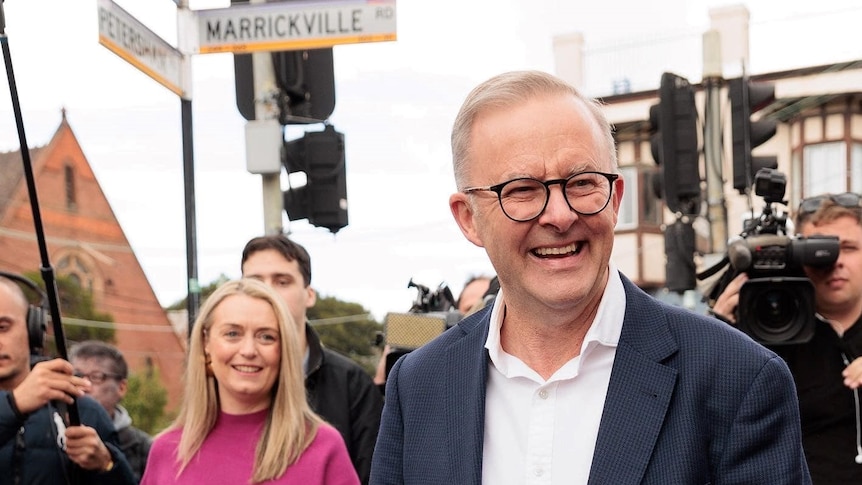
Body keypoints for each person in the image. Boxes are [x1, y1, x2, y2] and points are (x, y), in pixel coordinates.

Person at [369, 70, 811, 484]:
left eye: (582, 183)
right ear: (468, 218)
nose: (560, 216)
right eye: (521, 190)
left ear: (615, 197)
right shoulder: (418, 385)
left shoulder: (738, 378)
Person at [140, 278, 359, 485]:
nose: (248, 350)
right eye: (233, 333)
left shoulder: (323, 447)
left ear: (284, 349)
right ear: (206, 342)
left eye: (266, 337)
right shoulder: (166, 451)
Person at [711, 192, 862, 483]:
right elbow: (716, 422)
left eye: (850, 247)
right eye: (821, 249)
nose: (835, 261)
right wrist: (719, 333)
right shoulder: (766, 326)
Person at [241, 235, 382, 485]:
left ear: (309, 295)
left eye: (282, 281)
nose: (267, 292)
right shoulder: (224, 379)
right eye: (255, 282)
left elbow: (372, 475)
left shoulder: (352, 384)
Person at [0, 274, 136, 485]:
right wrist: (14, 405)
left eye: (3, 327)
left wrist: (107, 464)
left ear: (33, 328)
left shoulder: (83, 410)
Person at [70, 340, 152, 483]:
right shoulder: (52, 432)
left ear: (122, 387)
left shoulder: (142, 448)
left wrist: (108, 464)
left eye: (96, 377)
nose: (84, 385)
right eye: (77, 375)